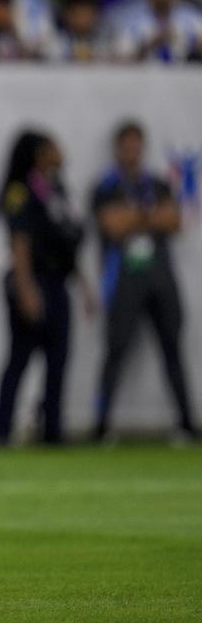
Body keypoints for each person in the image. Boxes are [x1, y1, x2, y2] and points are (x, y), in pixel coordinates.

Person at [92, 121, 198, 442]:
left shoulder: (158, 183)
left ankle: (186, 423)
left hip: (160, 276)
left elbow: (176, 219)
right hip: (125, 278)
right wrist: (149, 215)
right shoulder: (108, 186)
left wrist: (136, 216)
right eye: (127, 145)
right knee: (116, 349)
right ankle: (102, 426)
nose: (132, 151)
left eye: (137, 144)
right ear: (118, 149)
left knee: (172, 348)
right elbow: (113, 225)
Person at [0, 130, 91, 445]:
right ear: (39, 153)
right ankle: (1, 431)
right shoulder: (21, 192)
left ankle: (53, 431)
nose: (61, 151)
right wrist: (26, 289)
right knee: (19, 358)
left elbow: (66, 243)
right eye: (53, 146)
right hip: (32, 280)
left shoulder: (57, 190)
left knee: (58, 361)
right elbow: (19, 243)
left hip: (58, 281)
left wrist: (84, 286)